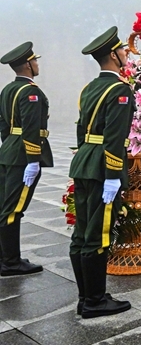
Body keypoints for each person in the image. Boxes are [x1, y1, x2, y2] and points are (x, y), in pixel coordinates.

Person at [69, 27, 134, 318]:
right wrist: (112, 175)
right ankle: (95, 301)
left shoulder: (89, 88)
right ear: (113, 55)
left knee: (81, 233)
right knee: (98, 232)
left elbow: (81, 130)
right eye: (122, 50)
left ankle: (86, 297)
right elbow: (115, 137)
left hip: (85, 162)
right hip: (102, 168)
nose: (125, 53)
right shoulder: (119, 90)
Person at [0, 42, 52, 276]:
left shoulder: (8, 90)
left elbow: (3, 124)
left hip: (9, 151)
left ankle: (4, 257)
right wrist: (33, 159)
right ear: (28, 65)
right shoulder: (31, 92)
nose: (37, 64)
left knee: (4, 206)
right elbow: (31, 128)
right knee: (13, 209)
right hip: (23, 156)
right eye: (35, 61)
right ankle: (11, 262)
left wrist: (9, 145)